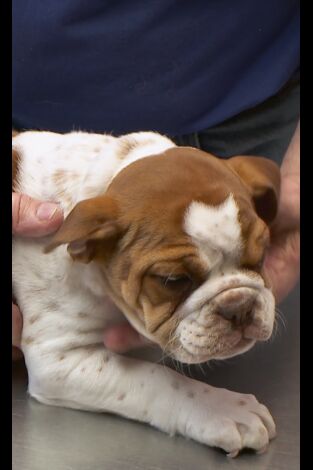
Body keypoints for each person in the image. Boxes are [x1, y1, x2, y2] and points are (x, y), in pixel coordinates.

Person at [12, 0, 300, 358]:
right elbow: (56, 366)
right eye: (175, 279)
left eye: (253, 259)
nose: (236, 306)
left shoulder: (254, 189)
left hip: (256, 113)